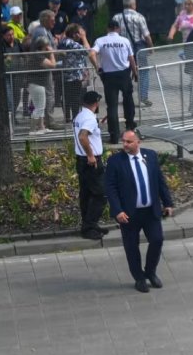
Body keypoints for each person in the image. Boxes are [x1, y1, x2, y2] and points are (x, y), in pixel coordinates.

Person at [105, 130, 174, 293]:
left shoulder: (150, 156)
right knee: (131, 247)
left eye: (129, 142)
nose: (125, 145)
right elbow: (111, 188)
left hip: (150, 211)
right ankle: (139, 278)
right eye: (123, 141)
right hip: (129, 213)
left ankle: (150, 271)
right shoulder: (115, 161)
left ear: (138, 142)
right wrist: (117, 210)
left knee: (157, 240)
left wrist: (168, 203)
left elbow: (159, 181)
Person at [89, 19, 138, 145]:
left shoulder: (101, 40)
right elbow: (131, 58)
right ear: (118, 28)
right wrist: (135, 72)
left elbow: (91, 54)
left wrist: (98, 67)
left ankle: (114, 135)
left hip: (109, 75)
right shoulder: (124, 41)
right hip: (123, 73)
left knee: (112, 105)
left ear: (107, 29)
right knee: (128, 100)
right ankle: (130, 127)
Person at [73, 90, 107, 240]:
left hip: (80, 160)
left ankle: (89, 225)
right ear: (96, 103)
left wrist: (99, 123)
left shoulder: (81, 115)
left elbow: (85, 131)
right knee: (100, 194)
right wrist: (91, 155)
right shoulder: (89, 119)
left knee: (86, 194)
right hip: (91, 161)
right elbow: (83, 136)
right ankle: (89, 226)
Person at [113, 0, 154, 107]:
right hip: (138, 49)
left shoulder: (116, 18)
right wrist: (151, 48)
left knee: (124, 72)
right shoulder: (139, 17)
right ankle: (143, 98)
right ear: (133, 5)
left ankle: (126, 96)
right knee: (143, 72)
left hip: (122, 50)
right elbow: (146, 35)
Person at [30, 10, 63, 130]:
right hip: (41, 68)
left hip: (45, 67)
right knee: (48, 96)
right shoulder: (40, 32)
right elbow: (46, 49)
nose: (54, 22)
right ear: (44, 19)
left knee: (44, 97)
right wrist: (57, 53)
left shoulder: (46, 30)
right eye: (52, 19)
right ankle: (48, 122)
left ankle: (43, 123)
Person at [57, 24, 91, 122]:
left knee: (67, 96)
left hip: (68, 74)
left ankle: (68, 117)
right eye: (80, 33)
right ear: (74, 34)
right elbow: (87, 51)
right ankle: (75, 118)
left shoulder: (64, 41)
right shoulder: (70, 43)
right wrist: (84, 38)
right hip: (73, 75)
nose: (80, 35)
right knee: (75, 98)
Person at [25, 37, 56, 135]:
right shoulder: (38, 55)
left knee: (39, 106)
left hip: (38, 85)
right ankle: (33, 129)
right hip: (36, 84)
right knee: (39, 107)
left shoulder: (40, 55)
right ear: (44, 46)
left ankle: (41, 127)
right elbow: (52, 65)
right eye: (47, 46)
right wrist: (51, 53)